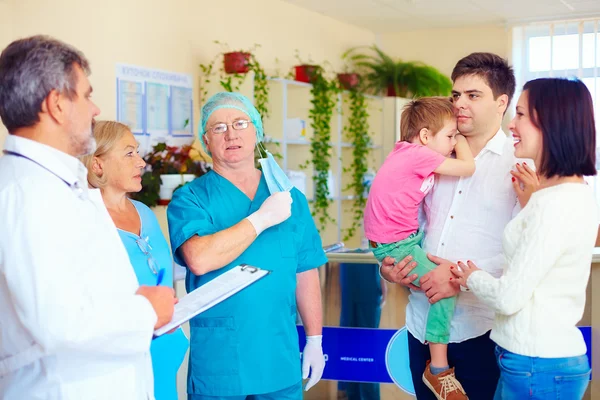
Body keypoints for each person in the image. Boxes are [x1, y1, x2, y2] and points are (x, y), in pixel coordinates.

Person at [0, 35, 175, 399]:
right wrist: (146, 311)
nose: (95, 111)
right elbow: (58, 323)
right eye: (87, 95)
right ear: (57, 105)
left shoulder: (58, 186)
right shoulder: (29, 194)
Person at [380, 53, 524, 399]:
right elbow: (402, 224)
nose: (460, 103)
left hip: (483, 330)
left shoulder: (519, 162)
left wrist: (461, 278)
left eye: (473, 95)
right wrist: (388, 269)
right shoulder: (426, 156)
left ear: (501, 102)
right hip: (421, 327)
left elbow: (526, 252)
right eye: (455, 94)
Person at [167, 92, 327, 400]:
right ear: (206, 140)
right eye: (219, 127)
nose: (231, 134)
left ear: (256, 130)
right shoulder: (191, 199)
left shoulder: (289, 197)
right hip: (221, 362)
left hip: (279, 358)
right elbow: (199, 259)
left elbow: (305, 271)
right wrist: (261, 219)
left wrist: (315, 339)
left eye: (240, 123)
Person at [451, 77, 597, 399]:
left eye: (520, 114)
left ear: (550, 122)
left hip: (536, 363)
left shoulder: (556, 203)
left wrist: (469, 275)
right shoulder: (563, 195)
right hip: (530, 360)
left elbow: (508, 297)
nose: (511, 124)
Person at [364, 97, 474, 399]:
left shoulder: (406, 154)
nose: (452, 142)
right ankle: (438, 369)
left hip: (404, 241)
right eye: (449, 136)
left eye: (454, 136)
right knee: (446, 285)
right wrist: (464, 136)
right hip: (398, 245)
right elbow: (468, 167)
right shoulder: (417, 155)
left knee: (440, 277)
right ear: (425, 137)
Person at [81, 120, 190, 400]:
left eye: (138, 153)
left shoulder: (145, 213)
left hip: (166, 363)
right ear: (97, 165)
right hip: (120, 371)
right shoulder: (84, 219)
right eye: (129, 153)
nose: (141, 163)